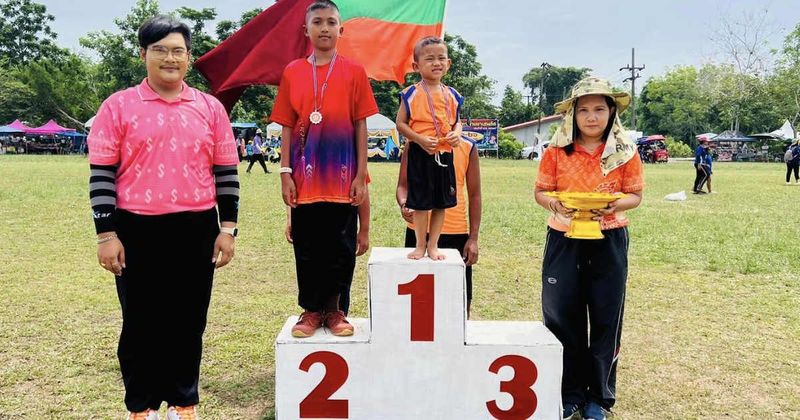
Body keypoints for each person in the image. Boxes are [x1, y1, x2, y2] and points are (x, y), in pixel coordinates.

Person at [87, 16, 239, 420]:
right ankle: (141, 405)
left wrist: (227, 229)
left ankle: (183, 401)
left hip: (196, 228)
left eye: (178, 50)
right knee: (139, 323)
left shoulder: (209, 108)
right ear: (143, 54)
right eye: (160, 50)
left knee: (188, 321)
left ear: (188, 57)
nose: (170, 58)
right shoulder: (117, 106)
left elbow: (226, 172)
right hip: (136, 228)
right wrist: (107, 234)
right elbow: (102, 172)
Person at [533, 77, 644, 420]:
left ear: (611, 112)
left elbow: (635, 196)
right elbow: (541, 192)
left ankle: (599, 397)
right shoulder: (556, 150)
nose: (591, 117)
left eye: (599, 109)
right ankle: (569, 394)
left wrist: (614, 206)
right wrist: (557, 206)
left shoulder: (626, 151)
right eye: (584, 110)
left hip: (609, 238)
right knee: (562, 315)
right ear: (573, 115)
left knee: (606, 316)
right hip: (563, 238)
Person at [271, 0, 377, 338]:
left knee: (341, 249)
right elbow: (287, 125)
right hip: (304, 178)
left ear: (341, 30)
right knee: (308, 247)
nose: (325, 28)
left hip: (343, 176)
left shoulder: (354, 71)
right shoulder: (292, 72)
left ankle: (335, 310)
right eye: (318, 22)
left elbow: (361, 124)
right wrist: (285, 171)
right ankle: (311, 311)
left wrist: (361, 173)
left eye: (331, 22)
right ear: (307, 30)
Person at [397, 137, 481, 316]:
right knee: (414, 308)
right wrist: (404, 203)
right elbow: (403, 186)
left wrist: (473, 238)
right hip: (418, 232)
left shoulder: (467, 146)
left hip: (456, 233)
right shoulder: (414, 143)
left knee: (458, 302)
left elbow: (474, 195)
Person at [396, 36, 463, 260]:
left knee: (440, 203)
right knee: (422, 203)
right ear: (416, 66)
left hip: (444, 154)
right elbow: (400, 124)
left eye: (441, 58)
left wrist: (457, 134)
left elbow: (457, 122)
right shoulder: (410, 93)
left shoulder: (453, 95)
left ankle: (433, 245)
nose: (436, 63)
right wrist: (419, 139)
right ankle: (420, 245)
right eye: (430, 59)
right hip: (420, 154)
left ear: (448, 63)